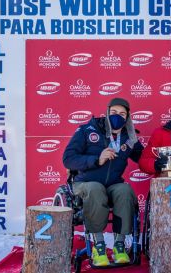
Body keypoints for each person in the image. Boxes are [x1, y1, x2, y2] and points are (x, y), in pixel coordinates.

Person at [62, 97, 144, 266]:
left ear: (127, 117)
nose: (118, 116)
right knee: (95, 188)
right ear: (107, 112)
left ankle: (119, 246)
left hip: (113, 184)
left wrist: (162, 162)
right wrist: (96, 159)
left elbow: (144, 159)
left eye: (122, 114)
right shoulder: (87, 130)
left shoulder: (129, 137)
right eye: (114, 112)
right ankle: (98, 246)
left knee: (124, 190)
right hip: (85, 183)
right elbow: (68, 159)